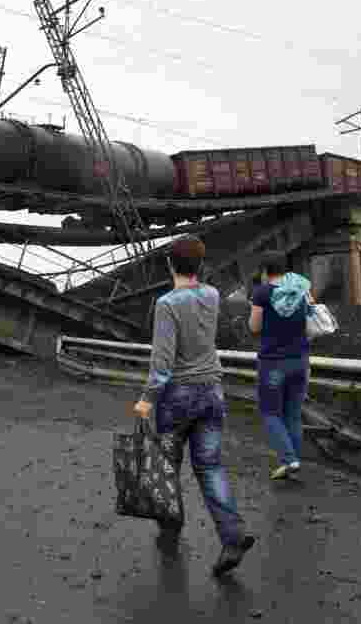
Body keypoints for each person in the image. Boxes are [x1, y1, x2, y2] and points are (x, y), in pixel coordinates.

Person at [130, 235, 255, 577]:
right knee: (210, 467)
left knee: (166, 466)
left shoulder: (168, 304)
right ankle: (233, 535)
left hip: (178, 397)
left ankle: (170, 530)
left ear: (170, 265)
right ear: (201, 266)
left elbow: (163, 362)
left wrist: (146, 400)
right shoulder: (212, 295)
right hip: (212, 392)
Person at [248, 251, 314, 481]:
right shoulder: (301, 289)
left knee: (270, 412)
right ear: (285, 270)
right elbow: (309, 320)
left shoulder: (263, 292)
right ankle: (292, 462)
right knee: (293, 415)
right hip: (301, 360)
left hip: (273, 362)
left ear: (266, 271)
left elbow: (254, 327)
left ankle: (289, 459)